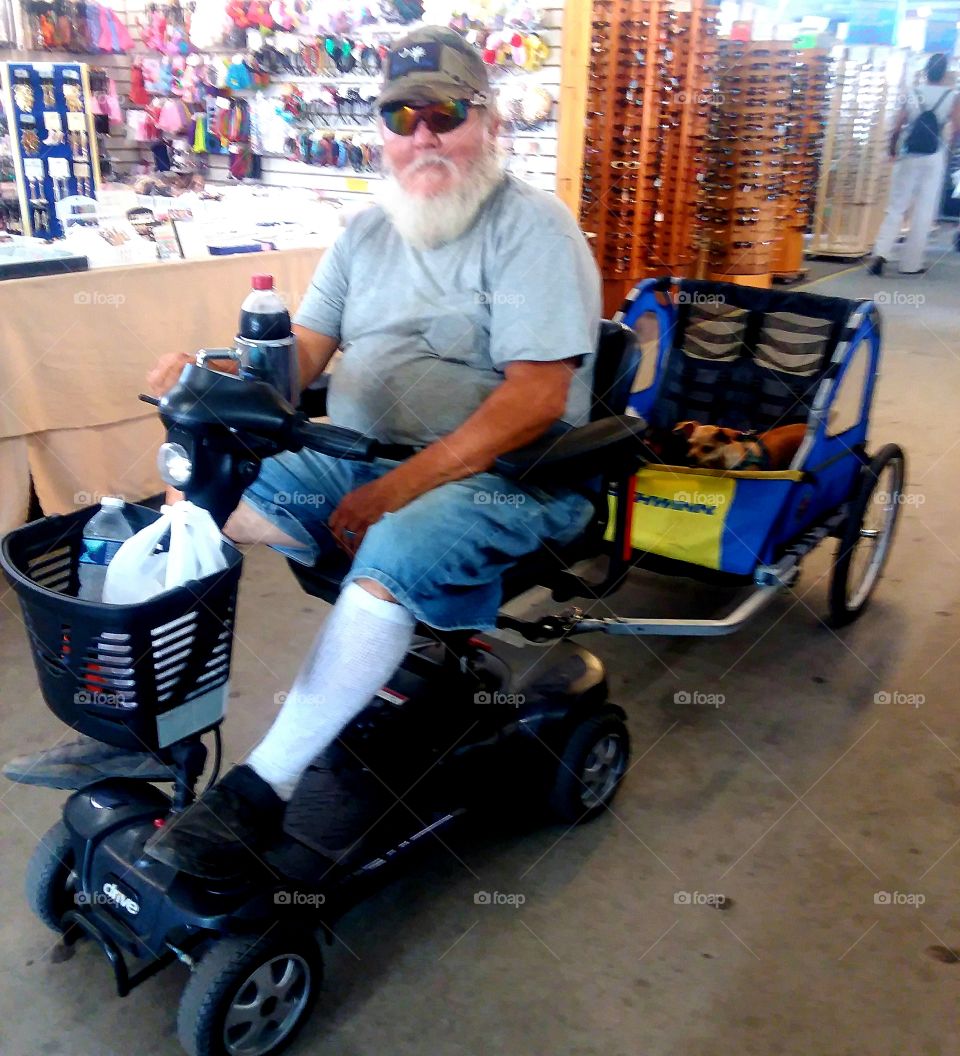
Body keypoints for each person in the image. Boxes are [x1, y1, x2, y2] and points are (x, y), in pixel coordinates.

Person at [5, 27, 602, 879]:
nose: (424, 135)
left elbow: (537, 398)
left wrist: (395, 490)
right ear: (382, 130)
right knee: (198, 499)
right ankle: (143, 726)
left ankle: (263, 788)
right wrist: (209, 375)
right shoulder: (367, 232)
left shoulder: (534, 232)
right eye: (402, 116)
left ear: (490, 121)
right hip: (356, 458)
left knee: (394, 547)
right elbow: (296, 361)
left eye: (446, 112)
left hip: (509, 479)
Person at [868, 53, 960, 276]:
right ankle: (911, 264)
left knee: (896, 206)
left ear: (926, 71)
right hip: (934, 156)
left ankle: (881, 252)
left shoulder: (912, 93)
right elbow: (957, 129)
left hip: (908, 155)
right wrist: (948, 153)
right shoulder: (952, 96)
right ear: (944, 73)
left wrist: (892, 149)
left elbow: (897, 126)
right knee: (924, 210)